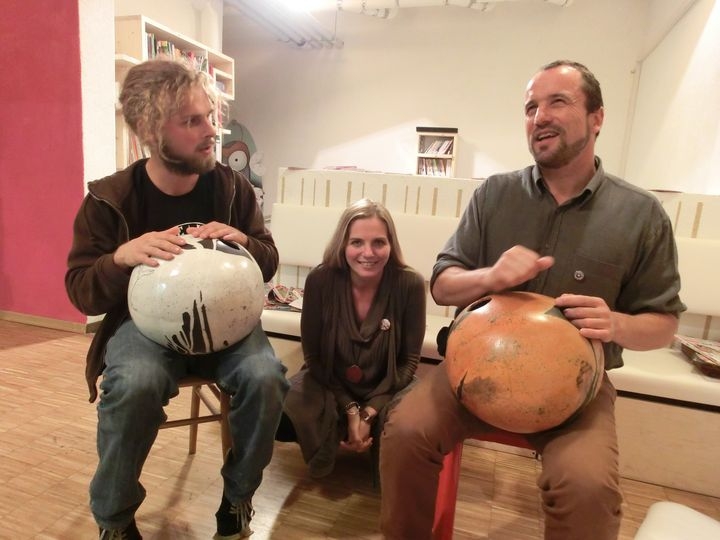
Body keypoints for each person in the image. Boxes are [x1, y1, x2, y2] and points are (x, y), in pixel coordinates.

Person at [379, 60, 685, 540]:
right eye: (530, 107)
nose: (539, 116)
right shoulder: (495, 194)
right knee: (405, 432)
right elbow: (441, 285)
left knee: (587, 488)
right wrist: (490, 276)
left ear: (597, 117)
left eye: (557, 102)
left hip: (575, 389)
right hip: (473, 370)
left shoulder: (640, 214)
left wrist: (617, 324)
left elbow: (664, 323)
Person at [65, 59, 289, 540]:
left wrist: (247, 244)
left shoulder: (233, 188)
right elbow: (80, 289)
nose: (211, 132)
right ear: (151, 131)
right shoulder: (108, 200)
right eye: (192, 121)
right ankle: (115, 518)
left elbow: (269, 260)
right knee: (135, 383)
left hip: (230, 324)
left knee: (265, 378)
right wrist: (120, 258)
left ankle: (238, 497)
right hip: (143, 327)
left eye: (209, 116)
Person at [277, 199, 426, 479]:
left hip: (390, 383)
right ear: (342, 244)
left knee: (415, 423)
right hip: (329, 380)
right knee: (280, 410)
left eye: (378, 242)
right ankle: (334, 436)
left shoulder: (410, 284)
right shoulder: (320, 279)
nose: (368, 253)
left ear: (391, 245)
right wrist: (350, 407)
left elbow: (408, 362)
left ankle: (376, 447)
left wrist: (369, 412)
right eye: (357, 242)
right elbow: (314, 357)